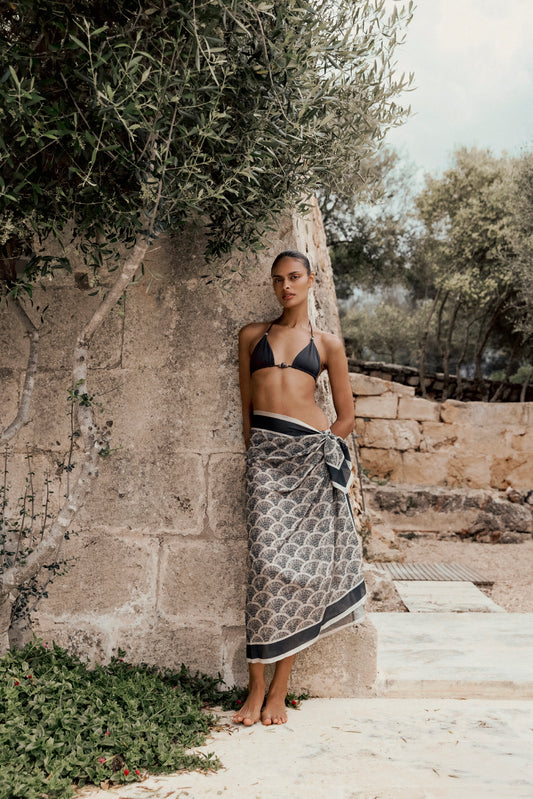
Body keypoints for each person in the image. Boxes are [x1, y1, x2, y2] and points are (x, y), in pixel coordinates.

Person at [234, 250, 366, 727]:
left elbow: (347, 416)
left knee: (302, 574)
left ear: (312, 280)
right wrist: (256, 455)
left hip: (310, 459)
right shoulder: (252, 337)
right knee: (264, 568)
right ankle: (255, 687)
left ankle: (279, 690)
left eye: (294, 277)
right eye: (278, 280)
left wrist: (324, 447)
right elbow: (247, 410)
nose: (285, 287)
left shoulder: (327, 345)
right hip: (266, 460)